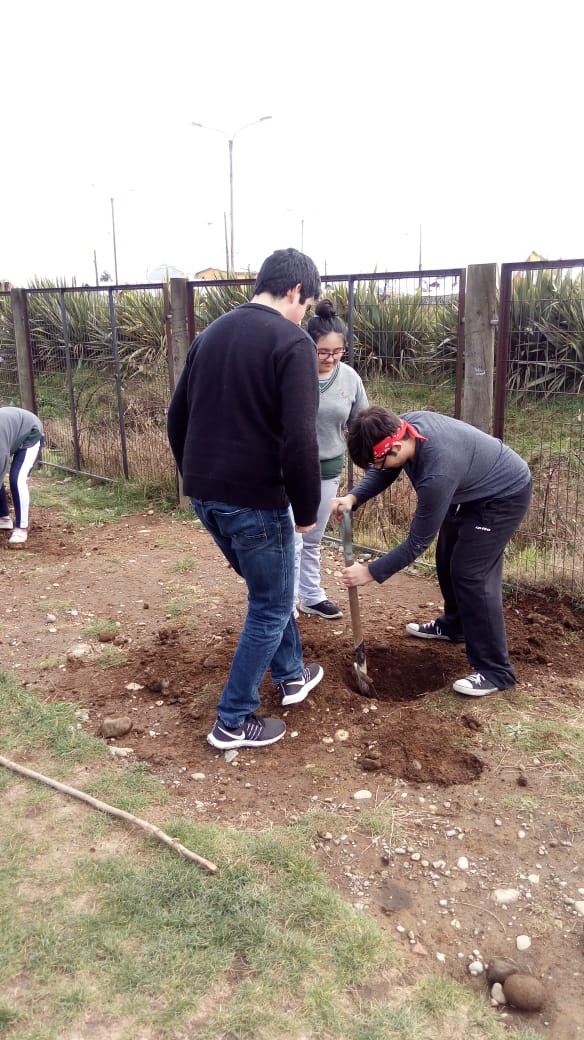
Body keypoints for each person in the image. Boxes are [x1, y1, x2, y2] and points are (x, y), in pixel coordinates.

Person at [167, 248, 325, 751]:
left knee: (268, 592)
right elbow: (300, 440)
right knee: (272, 604)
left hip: (206, 496)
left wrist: (196, 475)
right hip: (256, 501)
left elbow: (176, 417)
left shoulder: (210, 334)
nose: (303, 315)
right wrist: (306, 510)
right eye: (306, 305)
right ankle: (232, 721)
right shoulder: (292, 343)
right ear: (296, 291)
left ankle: (292, 675)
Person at [330, 406, 532, 698]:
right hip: (468, 489)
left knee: (471, 573)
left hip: (502, 495)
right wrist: (353, 497)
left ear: (395, 446)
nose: (379, 468)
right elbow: (387, 468)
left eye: (378, 462)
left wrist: (371, 571)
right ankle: (455, 627)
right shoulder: (402, 428)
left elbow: (417, 543)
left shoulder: (437, 473)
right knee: (447, 557)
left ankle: (496, 671)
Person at [294, 299, 368, 620]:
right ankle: (285, 604)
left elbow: (361, 423)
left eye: (338, 352)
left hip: (327, 469)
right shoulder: (294, 373)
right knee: (292, 540)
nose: (330, 358)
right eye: (322, 352)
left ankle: (311, 596)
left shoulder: (350, 378)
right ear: (309, 345)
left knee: (312, 538)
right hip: (290, 471)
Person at [0, 406, 44, 548]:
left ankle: (21, 529)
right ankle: (3, 518)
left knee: (17, 478)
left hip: (30, 433)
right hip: (12, 430)